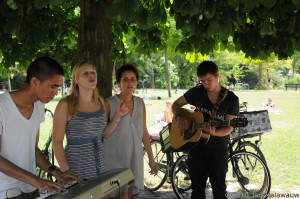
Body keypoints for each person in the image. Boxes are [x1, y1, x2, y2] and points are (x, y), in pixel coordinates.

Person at [0, 57, 80, 199]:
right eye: (53, 86)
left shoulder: (38, 106)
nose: (56, 92)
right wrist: (36, 180)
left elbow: (32, 148)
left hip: (31, 188)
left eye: (58, 88)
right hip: (6, 191)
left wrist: (55, 171)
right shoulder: (2, 107)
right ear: (35, 82)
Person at [172, 61, 239, 199]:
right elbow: (176, 104)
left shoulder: (231, 99)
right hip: (196, 148)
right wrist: (179, 117)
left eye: (209, 80)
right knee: (197, 190)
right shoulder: (197, 92)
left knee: (219, 190)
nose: (206, 84)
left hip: (218, 150)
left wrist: (216, 132)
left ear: (217, 75)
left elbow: (230, 126)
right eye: (203, 81)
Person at [52, 60, 129, 180]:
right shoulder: (65, 104)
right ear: (76, 79)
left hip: (100, 165)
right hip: (76, 168)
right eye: (85, 73)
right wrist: (66, 171)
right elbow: (57, 142)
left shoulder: (100, 101)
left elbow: (104, 134)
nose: (91, 75)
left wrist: (117, 116)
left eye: (93, 72)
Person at [103, 64, 158, 199]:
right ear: (119, 82)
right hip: (114, 159)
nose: (130, 83)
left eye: (133, 79)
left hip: (134, 158)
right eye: (125, 79)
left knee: (133, 195)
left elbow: (144, 132)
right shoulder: (109, 103)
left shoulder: (140, 103)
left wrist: (152, 159)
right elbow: (102, 133)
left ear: (137, 82)